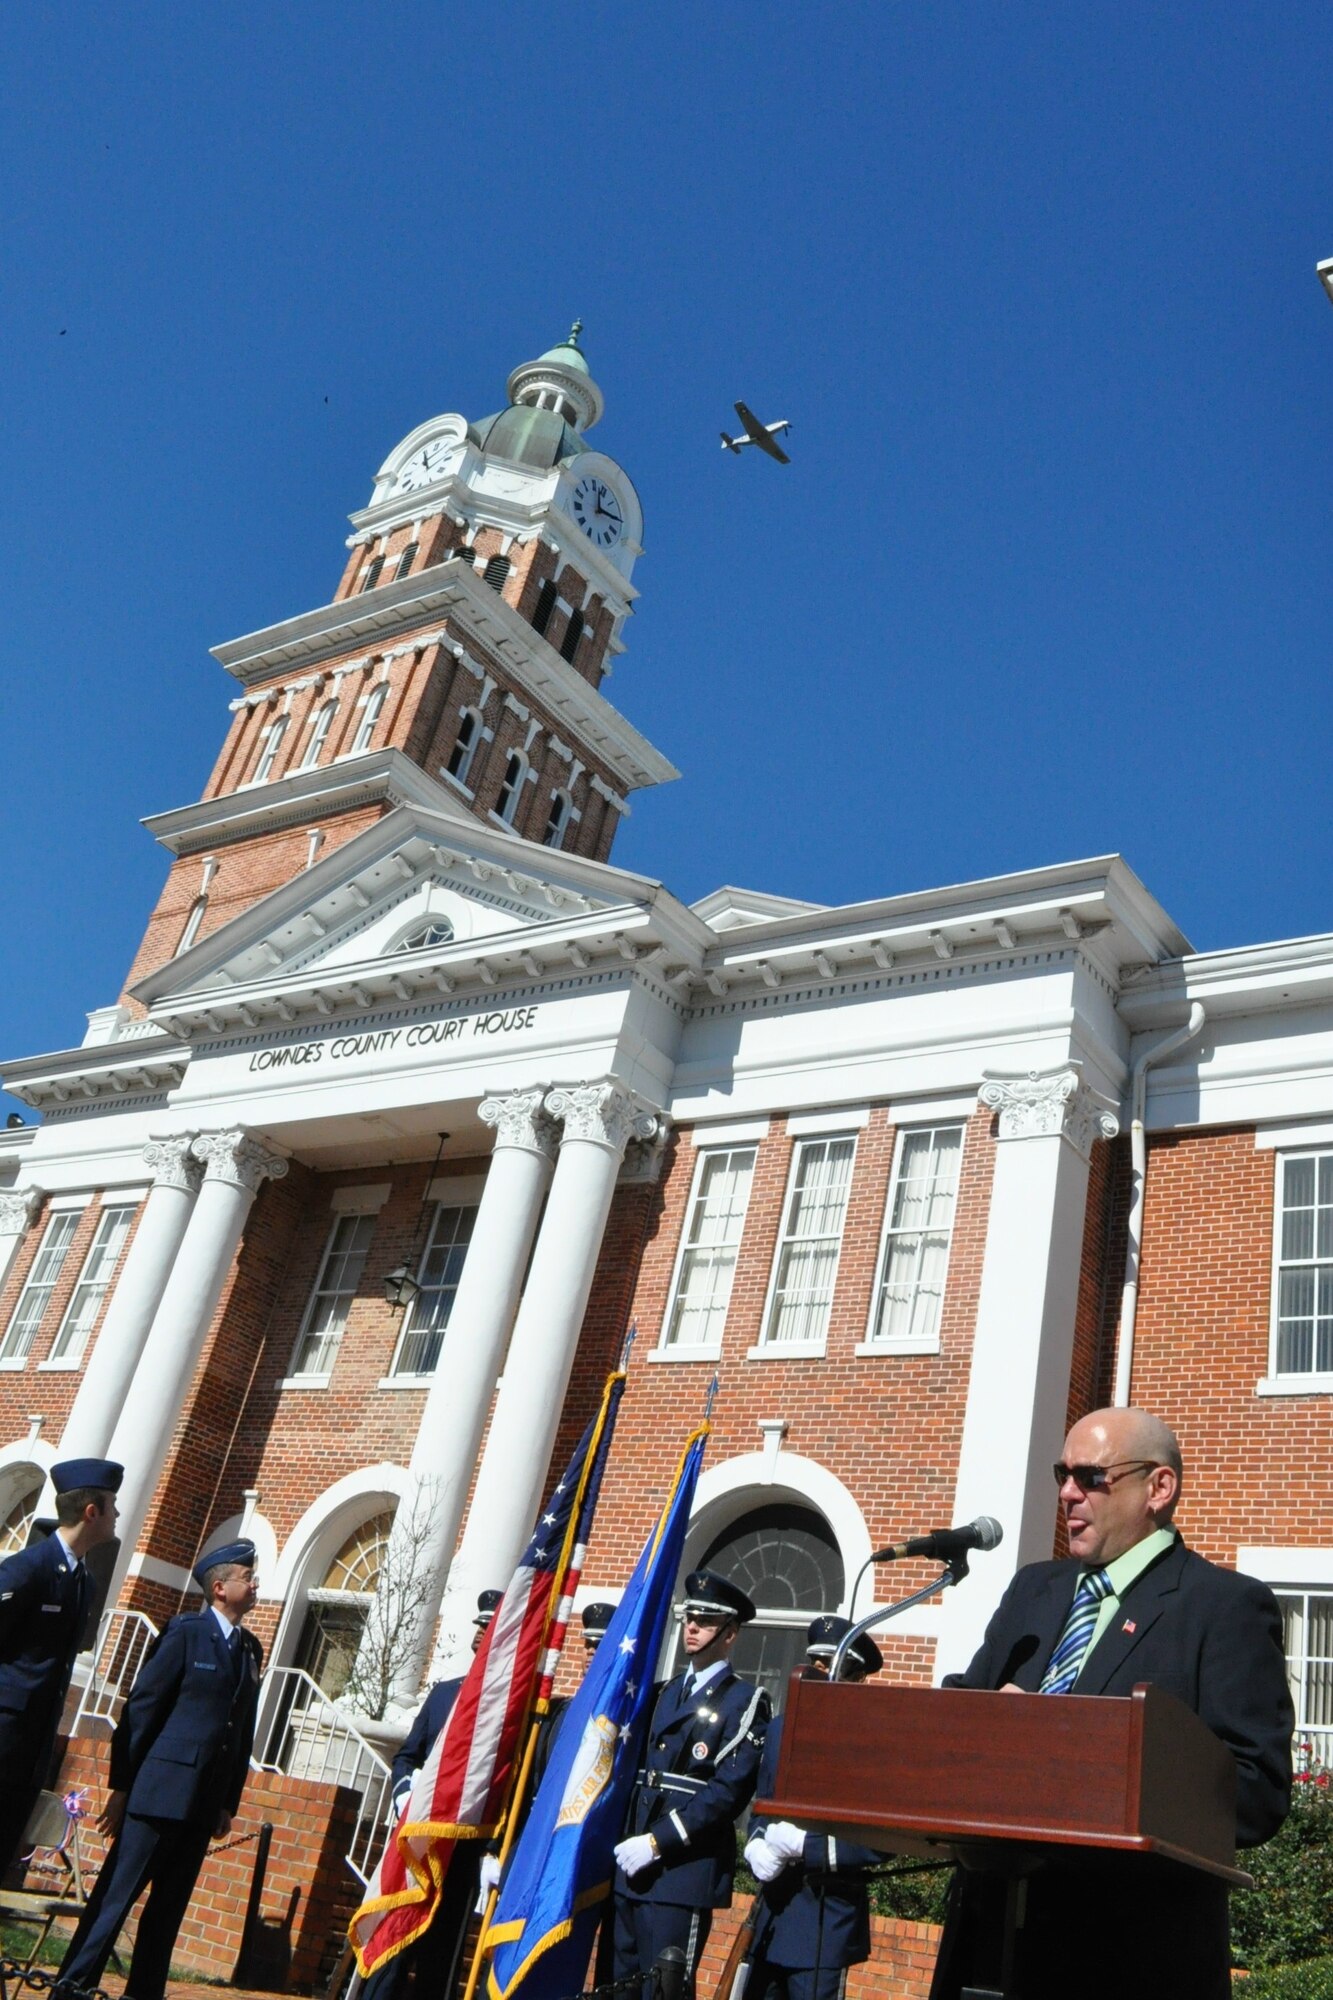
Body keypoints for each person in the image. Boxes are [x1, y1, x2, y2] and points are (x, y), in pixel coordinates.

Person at [930, 1406, 1294, 2000]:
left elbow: (1255, 1793)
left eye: (1092, 1476)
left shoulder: (1224, 1608)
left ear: (1159, 1488)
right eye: (1061, 1475)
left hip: (1127, 1957)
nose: (1069, 1493)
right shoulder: (1033, 1591)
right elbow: (968, 1714)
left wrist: (1076, 1753)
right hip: (988, 1943)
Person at [54, 1538, 263, 2000]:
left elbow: (241, 1731)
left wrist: (228, 1802)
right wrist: (124, 1785)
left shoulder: (250, 1650)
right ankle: (71, 1987)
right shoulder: (185, 1632)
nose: (254, 1583)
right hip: (159, 1793)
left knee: (167, 1912)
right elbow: (143, 1709)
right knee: (115, 1898)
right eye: (246, 1576)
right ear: (219, 1587)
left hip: (202, 1805)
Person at [612, 1569, 771, 2000]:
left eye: (706, 1620)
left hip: (682, 1868)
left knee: (665, 1991)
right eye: (689, 1617)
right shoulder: (663, 1692)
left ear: (731, 1632)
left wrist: (658, 1841)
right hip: (630, 1866)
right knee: (617, 1988)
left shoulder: (746, 1700)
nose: (693, 1626)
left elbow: (726, 1792)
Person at [362, 1589, 502, 2000]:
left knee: (440, 1960)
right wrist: (405, 1796)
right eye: (479, 1628)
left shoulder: (504, 1707)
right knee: (393, 1940)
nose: (480, 1636)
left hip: (461, 1852)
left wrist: (493, 1849)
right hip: (417, 1843)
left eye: (489, 1628)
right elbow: (407, 1756)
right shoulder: (443, 1693)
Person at [744, 1617, 884, 2000]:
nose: (814, 1673)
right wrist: (755, 1844)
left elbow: (881, 1841)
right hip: (773, 1910)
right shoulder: (780, 1729)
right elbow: (762, 1805)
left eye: (827, 1666)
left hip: (825, 1916)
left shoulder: (873, 1743)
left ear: (856, 1679)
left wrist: (807, 1846)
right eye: (813, 1664)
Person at [0, 1456, 123, 1879]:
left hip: (32, 1743)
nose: (118, 1515)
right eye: (112, 1505)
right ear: (92, 1512)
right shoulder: (26, 1569)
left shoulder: (83, 1582)